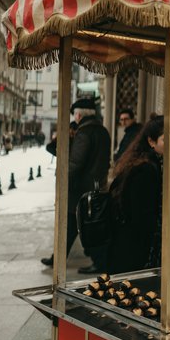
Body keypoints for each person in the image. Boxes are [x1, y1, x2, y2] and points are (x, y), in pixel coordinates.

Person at [41, 98, 111, 272]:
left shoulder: (84, 132)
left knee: (84, 226)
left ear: (78, 114)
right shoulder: (102, 131)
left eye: (75, 114)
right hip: (93, 185)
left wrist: (63, 183)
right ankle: (58, 257)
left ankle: (99, 262)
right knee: (72, 225)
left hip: (79, 189)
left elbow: (75, 163)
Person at [106, 116, 163, 273]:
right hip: (132, 247)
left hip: (126, 243)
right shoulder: (146, 169)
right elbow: (141, 215)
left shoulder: (141, 161)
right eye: (166, 140)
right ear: (151, 141)